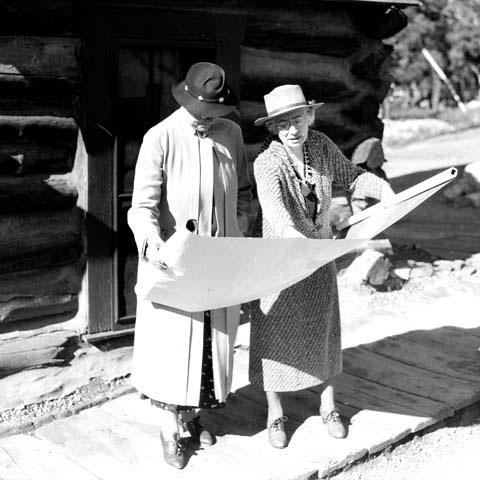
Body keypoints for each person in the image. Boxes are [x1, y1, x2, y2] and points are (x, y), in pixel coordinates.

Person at [249, 84, 394, 449]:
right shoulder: (267, 162)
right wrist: (291, 237)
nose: (292, 129)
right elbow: (274, 209)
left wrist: (387, 193)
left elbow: (353, 176)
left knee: (324, 328)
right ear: (273, 129)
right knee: (274, 333)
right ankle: (275, 413)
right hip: (280, 261)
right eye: (282, 124)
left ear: (310, 116)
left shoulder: (322, 146)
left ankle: (328, 406)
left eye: (297, 119)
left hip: (319, 257)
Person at [127, 62, 252, 468]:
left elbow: (243, 192)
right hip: (174, 262)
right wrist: (154, 246)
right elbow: (141, 208)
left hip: (219, 260)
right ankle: (170, 430)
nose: (216, 118)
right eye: (209, 110)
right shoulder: (160, 137)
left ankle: (195, 417)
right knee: (174, 346)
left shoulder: (231, 134)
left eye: (219, 111)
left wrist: (241, 231)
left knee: (211, 343)